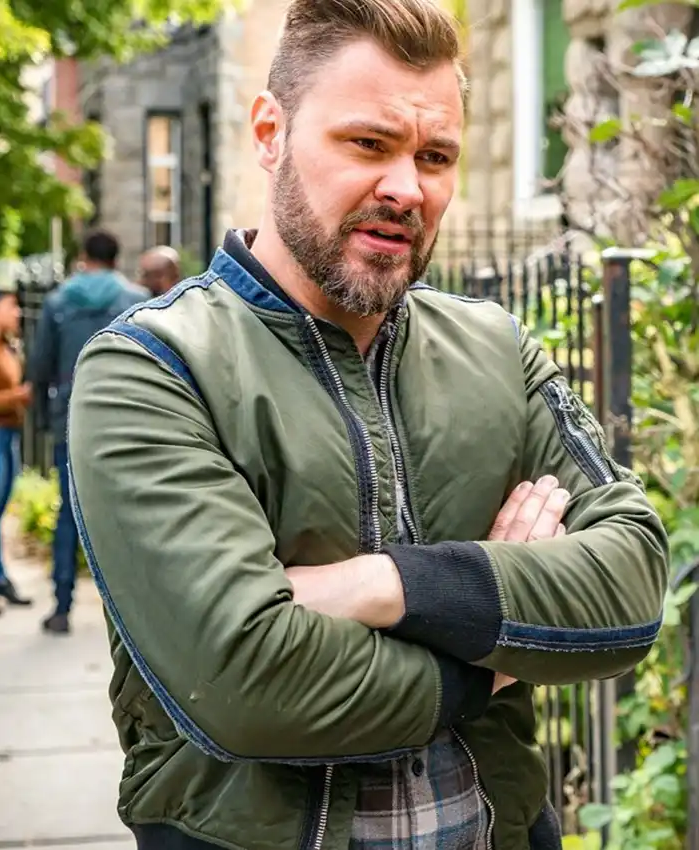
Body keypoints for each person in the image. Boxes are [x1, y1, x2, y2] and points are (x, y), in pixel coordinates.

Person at [67, 1, 668, 849]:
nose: (406, 188)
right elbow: (245, 686)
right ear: (270, 132)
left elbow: (632, 586)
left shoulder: (498, 350)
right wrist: (495, 649)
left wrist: (386, 586)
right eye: (368, 144)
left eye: (435, 156)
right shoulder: (154, 368)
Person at [29, 228, 147, 634]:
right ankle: (135, 612)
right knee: (130, 515)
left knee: (69, 512)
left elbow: (39, 367)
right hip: (128, 420)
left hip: (71, 419)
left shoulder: (58, 301)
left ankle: (62, 607)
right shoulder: (135, 300)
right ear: (116, 257)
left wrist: (43, 419)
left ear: (84, 256)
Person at [0, 281, 32, 610]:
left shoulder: (8, 346)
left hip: (9, 433)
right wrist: (18, 395)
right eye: (11, 305)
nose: (18, 312)